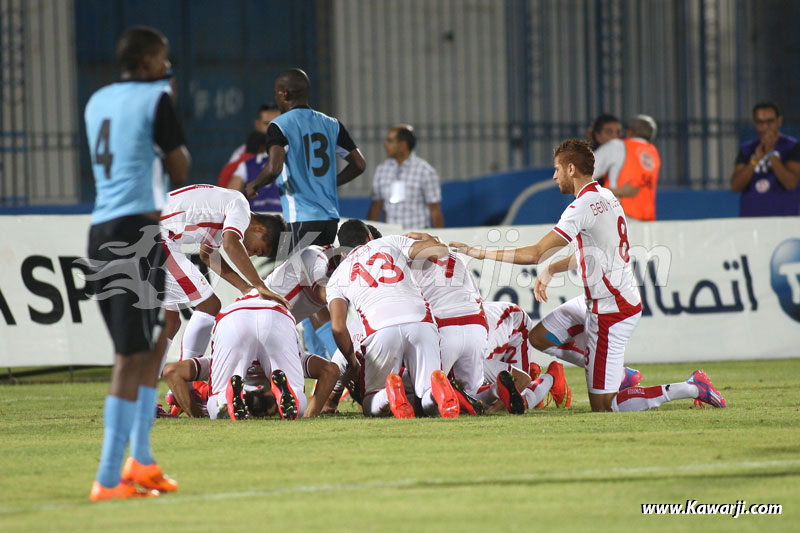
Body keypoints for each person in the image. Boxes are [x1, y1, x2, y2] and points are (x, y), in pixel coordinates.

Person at [451, 138, 726, 413]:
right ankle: (618, 374)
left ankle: (691, 387)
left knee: (605, 406)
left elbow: (535, 253)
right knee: (540, 337)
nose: (554, 175)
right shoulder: (607, 196)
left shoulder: (580, 207)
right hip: (602, 300)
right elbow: (596, 254)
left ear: (571, 169)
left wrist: (480, 252)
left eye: (557, 168)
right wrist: (554, 268)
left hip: (611, 312)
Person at [84, 25, 189, 502]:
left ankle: (142, 461)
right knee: (132, 355)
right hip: (134, 234)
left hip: (106, 231)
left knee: (150, 345)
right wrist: (167, 100)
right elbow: (179, 165)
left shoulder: (97, 100)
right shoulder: (155, 100)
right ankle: (108, 478)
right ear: (148, 61)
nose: (167, 63)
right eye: (163, 57)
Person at [327, 219, 460, 419]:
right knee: (425, 395)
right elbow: (440, 251)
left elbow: (338, 328)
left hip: (379, 328)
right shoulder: (389, 242)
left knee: (370, 400)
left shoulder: (338, 276)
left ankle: (388, 396)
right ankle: (435, 392)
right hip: (420, 321)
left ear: (343, 252)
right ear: (369, 237)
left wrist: (353, 362)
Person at [159, 185, 288, 373]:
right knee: (209, 306)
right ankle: (182, 384)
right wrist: (260, 285)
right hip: (157, 234)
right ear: (259, 228)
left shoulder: (226, 212)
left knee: (170, 321)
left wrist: (246, 288)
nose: (250, 253)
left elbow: (208, 256)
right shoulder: (241, 207)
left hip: (150, 230)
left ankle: (144, 397)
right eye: (257, 250)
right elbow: (230, 245)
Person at [246, 69, 366, 249]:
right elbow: (359, 164)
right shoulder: (331, 123)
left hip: (301, 218)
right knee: (319, 272)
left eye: (276, 93)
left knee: (293, 274)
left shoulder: (280, 125)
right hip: (330, 219)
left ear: (284, 94)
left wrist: (254, 185)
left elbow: (274, 167)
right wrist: (330, 183)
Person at [367, 125, 444, 229]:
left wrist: (440, 237)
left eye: (390, 141)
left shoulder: (425, 171)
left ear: (403, 145)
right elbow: (376, 206)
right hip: (390, 238)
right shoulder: (381, 170)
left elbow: (434, 209)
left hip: (418, 237)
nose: (385, 144)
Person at [730, 102, 800, 216]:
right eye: (760, 122)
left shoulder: (793, 147)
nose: (765, 126)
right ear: (755, 123)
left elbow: (791, 183)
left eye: (770, 121)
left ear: (779, 121)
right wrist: (754, 161)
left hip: (783, 222)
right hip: (751, 222)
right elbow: (735, 187)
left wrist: (771, 153)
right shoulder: (747, 149)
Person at [591, 114, 660, 221]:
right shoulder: (653, 154)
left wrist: (616, 192)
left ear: (630, 132)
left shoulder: (617, 146)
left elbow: (581, 172)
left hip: (619, 220)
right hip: (647, 220)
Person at [217, 104, 280, 188]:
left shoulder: (289, 148)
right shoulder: (244, 150)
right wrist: (249, 154)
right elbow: (224, 184)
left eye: (276, 123)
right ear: (257, 124)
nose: (271, 128)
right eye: (266, 123)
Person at [226, 131, 282, 213]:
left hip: (256, 217)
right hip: (284, 217)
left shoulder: (247, 164)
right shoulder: (293, 162)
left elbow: (230, 197)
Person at [586, 113, 622, 187]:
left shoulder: (626, 155)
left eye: (618, 132)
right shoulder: (588, 159)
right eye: (609, 132)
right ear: (598, 136)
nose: (615, 137)